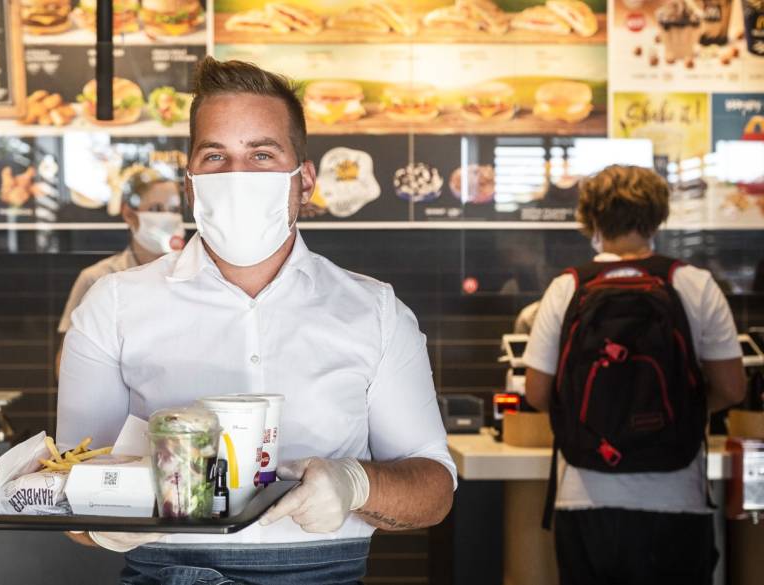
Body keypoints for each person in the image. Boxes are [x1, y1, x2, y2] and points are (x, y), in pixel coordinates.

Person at [57, 57, 455, 584]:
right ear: (191, 184)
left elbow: (433, 489)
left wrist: (355, 485)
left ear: (304, 180)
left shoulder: (376, 312)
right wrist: (103, 523)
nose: (237, 175)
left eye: (262, 155)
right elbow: (70, 484)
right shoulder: (112, 306)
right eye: (215, 156)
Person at [523, 165, 746, 585]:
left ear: (589, 218)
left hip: (585, 497)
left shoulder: (567, 287)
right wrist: (682, 411)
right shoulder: (694, 284)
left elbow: (537, 392)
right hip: (676, 497)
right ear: (659, 216)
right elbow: (733, 388)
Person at [54, 167, 184, 374]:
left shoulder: (196, 274)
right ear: (129, 215)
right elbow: (66, 366)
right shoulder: (97, 278)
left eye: (174, 210)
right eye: (156, 209)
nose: (168, 217)